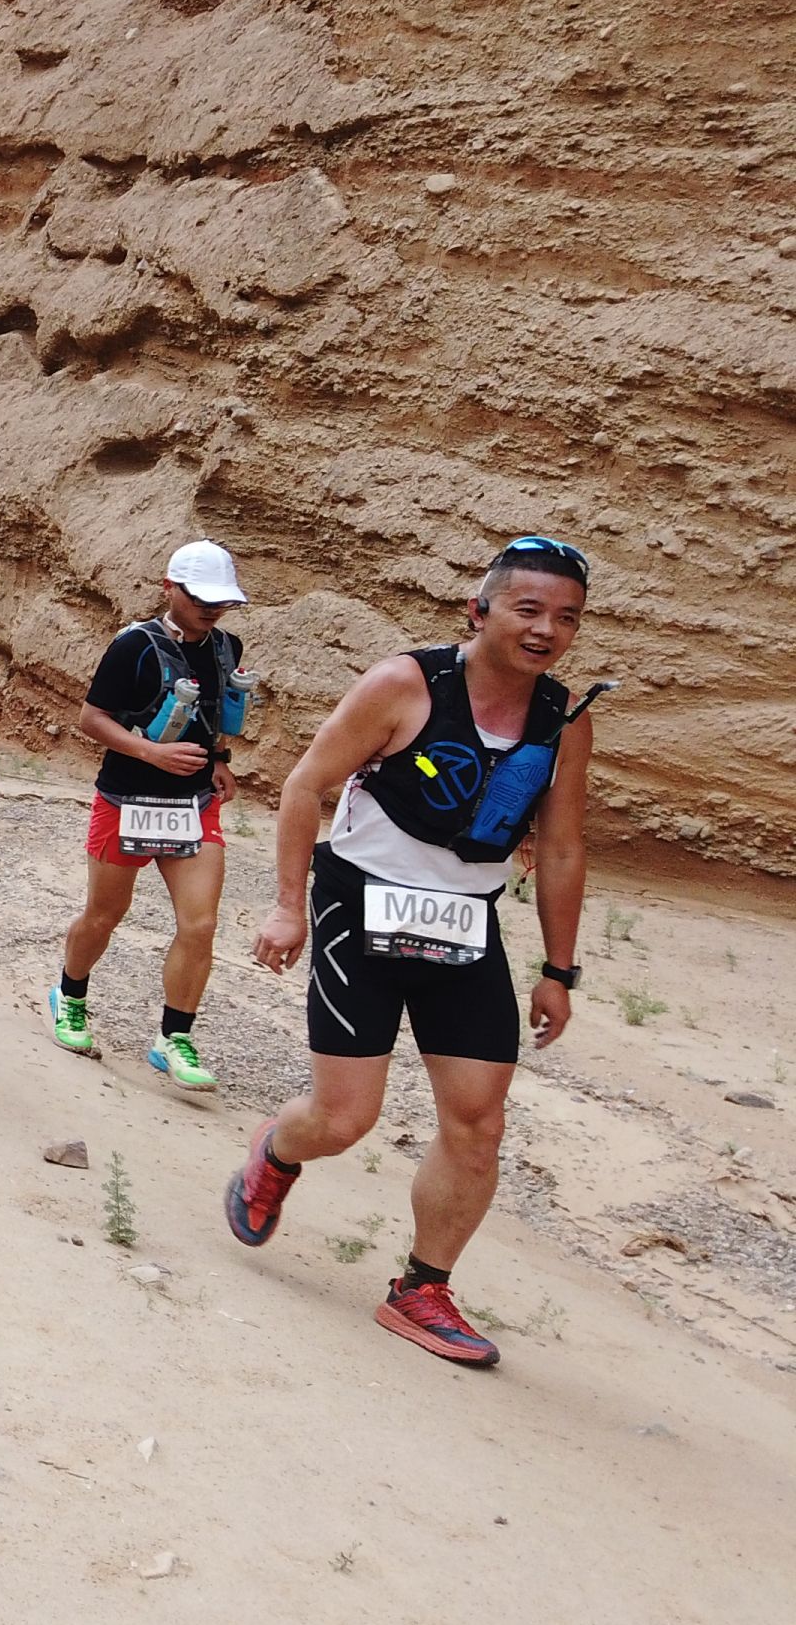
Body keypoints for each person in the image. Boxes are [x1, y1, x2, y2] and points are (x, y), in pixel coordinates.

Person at [231, 537, 600, 1369]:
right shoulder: (407, 684)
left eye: (566, 617)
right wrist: (290, 908)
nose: (546, 629)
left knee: (478, 1121)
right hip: (359, 903)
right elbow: (303, 787)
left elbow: (565, 847)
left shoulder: (564, 719)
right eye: (528, 608)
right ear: (481, 611)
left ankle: (421, 1291)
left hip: (466, 921)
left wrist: (558, 968)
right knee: (345, 1118)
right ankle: (277, 1152)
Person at [47, 542, 255, 1092]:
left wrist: (220, 761)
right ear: (170, 587)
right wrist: (151, 753)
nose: (212, 609)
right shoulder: (133, 647)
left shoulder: (227, 647)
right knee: (104, 914)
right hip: (126, 802)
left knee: (201, 924)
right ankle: (69, 996)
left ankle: (174, 1038)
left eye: (220, 600)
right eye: (200, 597)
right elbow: (92, 719)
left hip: (193, 805)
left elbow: (217, 714)